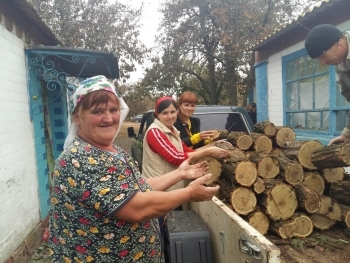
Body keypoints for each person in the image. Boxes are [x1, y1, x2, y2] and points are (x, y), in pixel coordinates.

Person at [48, 75, 219, 263]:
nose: (108, 118)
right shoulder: (79, 159)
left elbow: (138, 186)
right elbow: (136, 208)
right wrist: (189, 193)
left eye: (113, 110)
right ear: (77, 117)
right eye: (97, 111)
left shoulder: (111, 150)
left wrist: (180, 173)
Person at [305, 24, 350, 238]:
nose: (323, 62)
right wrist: (347, 134)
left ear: (338, 42)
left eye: (323, 56)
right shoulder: (342, 65)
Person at [142, 96, 230, 190]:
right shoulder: (155, 132)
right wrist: (208, 151)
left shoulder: (172, 130)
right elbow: (176, 158)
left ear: (177, 111)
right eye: (165, 113)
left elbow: (187, 151)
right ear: (157, 115)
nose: (170, 116)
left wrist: (213, 144)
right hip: (159, 189)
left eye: (172, 112)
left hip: (172, 187)